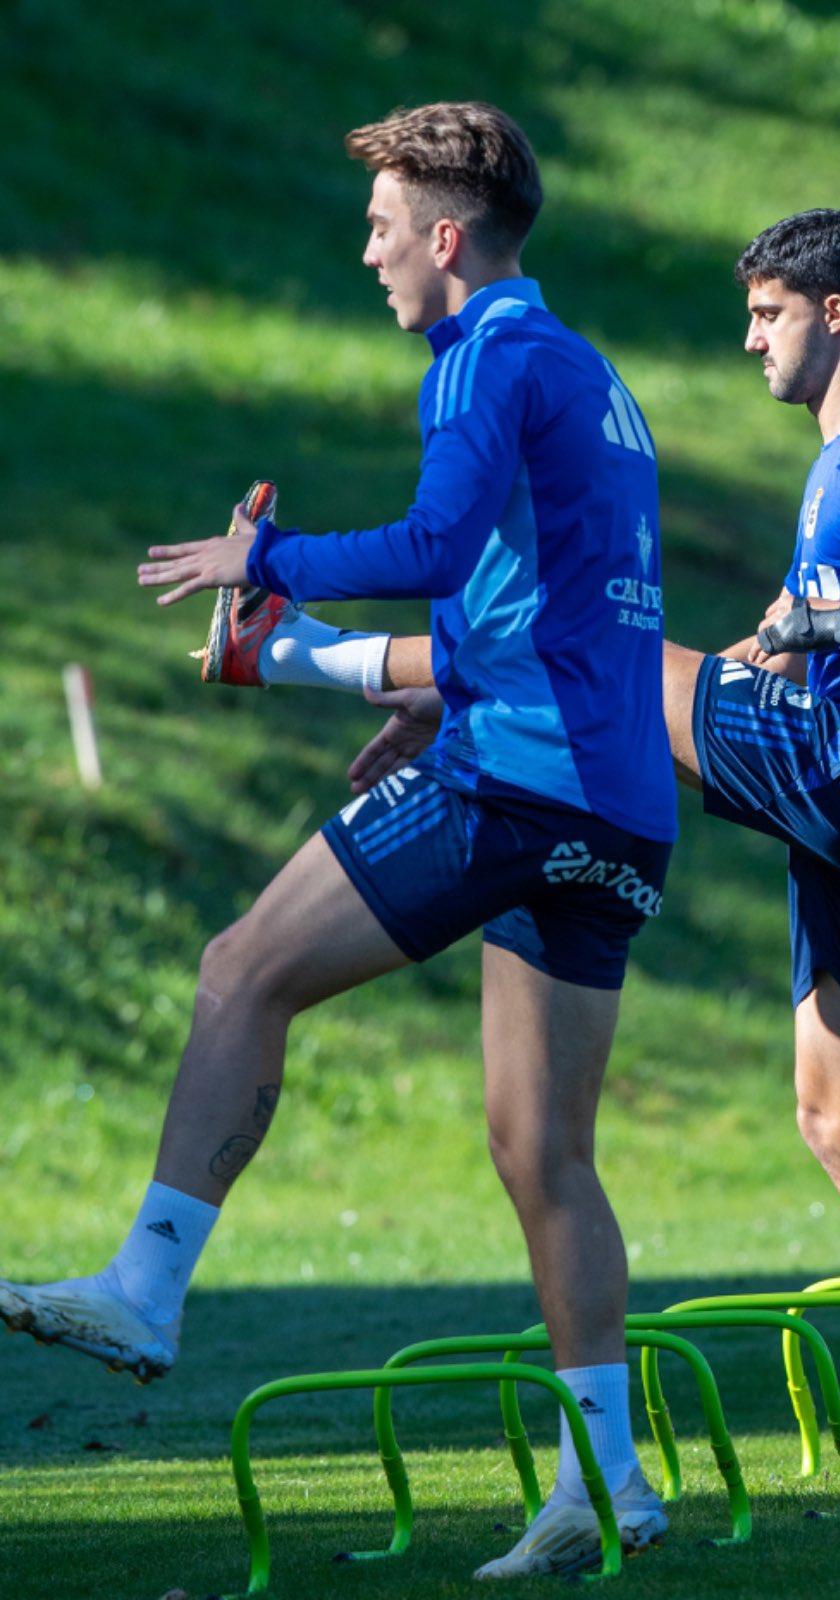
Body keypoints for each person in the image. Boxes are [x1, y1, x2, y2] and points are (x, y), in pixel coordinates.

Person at [227, 206, 840, 1496]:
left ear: (836, 314)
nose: (747, 340)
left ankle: (284, 651)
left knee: (594, 653)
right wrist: (785, 638)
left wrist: (828, 620)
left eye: (768, 315)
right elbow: (751, 664)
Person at [0, 101, 678, 1577]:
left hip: (525, 783)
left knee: (242, 969)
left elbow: (436, 546)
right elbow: (526, 610)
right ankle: (608, 1478)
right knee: (542, 1149)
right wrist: (393, 691)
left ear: (447, 238)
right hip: (619, 805)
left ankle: (148, 1288)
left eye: (380, 229)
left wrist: (267, 564)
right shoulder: (585, 371)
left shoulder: (482, 356)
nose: (366, 254)